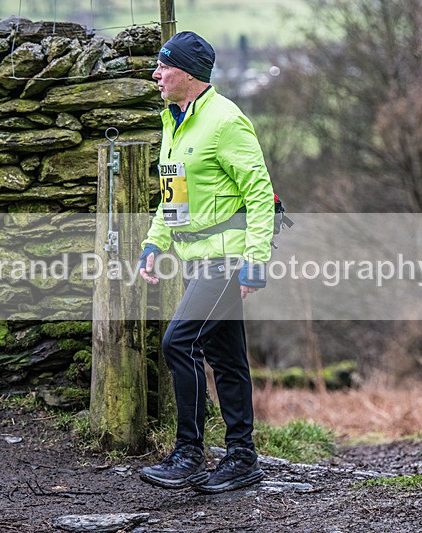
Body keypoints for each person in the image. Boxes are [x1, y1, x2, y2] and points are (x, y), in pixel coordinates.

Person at [137, 31, 275, 494]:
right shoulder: (172, 121)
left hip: (227, 256)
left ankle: (188, 453)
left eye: (164, 66)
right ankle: (241, 457)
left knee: (178, 342)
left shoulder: (225, 120)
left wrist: (256, 262)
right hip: (197, 257)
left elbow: (259, 194)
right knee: (226, 357)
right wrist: (154, 244)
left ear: (188, 74)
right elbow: (172, 196)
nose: (156, 74)